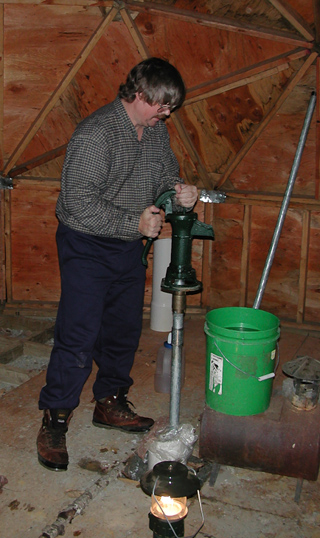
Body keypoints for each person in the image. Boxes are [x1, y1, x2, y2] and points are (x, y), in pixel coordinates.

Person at [36, 57, 198, 471]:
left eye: (171, 107)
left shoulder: (156, 131)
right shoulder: (96, 133)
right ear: (139, 95)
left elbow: (164, 173)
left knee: (123, 329)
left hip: (128, 246)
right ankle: (55, 418)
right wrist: (134, 222)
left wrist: (178, 191)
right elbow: (77, 203)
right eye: (162, 104)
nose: (168, 113)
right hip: (87, 244)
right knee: (79, 333)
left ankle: (109, 402)